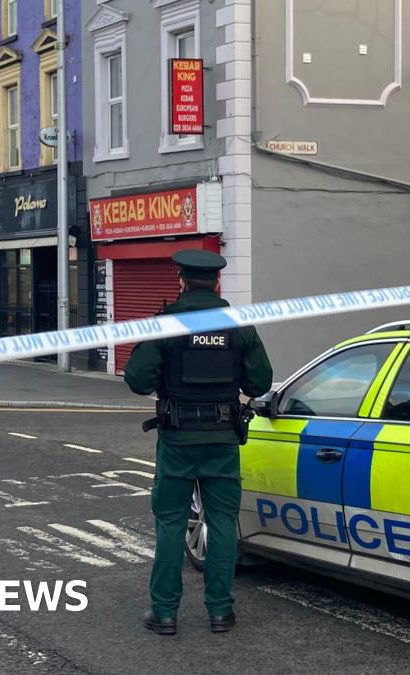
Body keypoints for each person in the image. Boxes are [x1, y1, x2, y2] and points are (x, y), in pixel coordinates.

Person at [123, 249, 272, 636]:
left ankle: (165, 613)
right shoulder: (239, 326)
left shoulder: (166, 324)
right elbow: (259, 383)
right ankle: (220, 612)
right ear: (217, 283)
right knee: (222, 522)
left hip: (177, 442)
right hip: (223, 440)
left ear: (181, 281)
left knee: (171, 523)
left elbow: (137, 380)